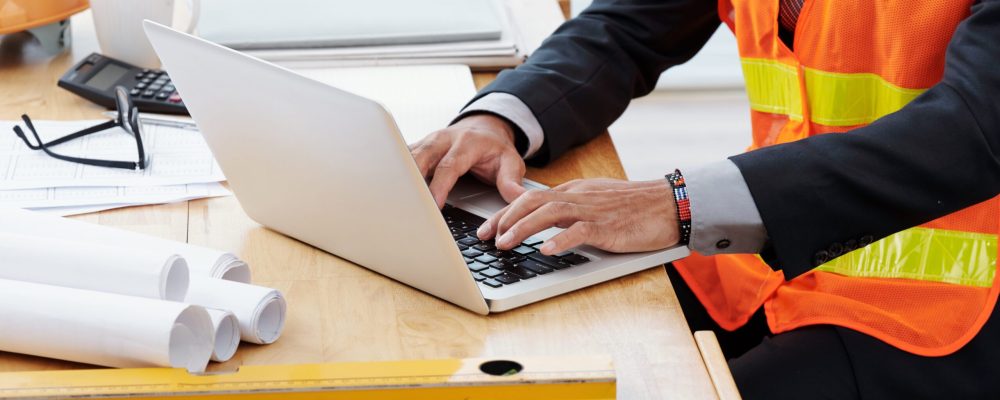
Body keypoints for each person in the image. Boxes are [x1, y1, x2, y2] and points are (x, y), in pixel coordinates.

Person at [409, 0, 1000, 398]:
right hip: (760, 264)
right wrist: (498, 120)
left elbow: (976, 128)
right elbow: (628, 26)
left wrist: (674, 205)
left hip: (936, 310)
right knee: (526, 340)